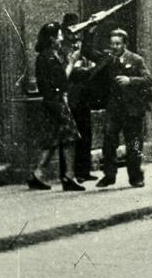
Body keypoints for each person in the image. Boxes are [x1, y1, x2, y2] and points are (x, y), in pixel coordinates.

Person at [85, 28, 152, 188]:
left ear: (125, 44)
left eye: (118, 43)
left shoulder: (136, 59)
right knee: (109, 141)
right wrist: (91, 31)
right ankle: (109, 175)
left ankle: (136, 177)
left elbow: (148, 79)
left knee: (134, 143)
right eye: (112, 43)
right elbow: (87, 51)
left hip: (132, 109)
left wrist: (130, 80)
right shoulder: (107, 58)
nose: (114, 47)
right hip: (114, 108)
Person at [28, 22, 85, 191]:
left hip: (50, 102)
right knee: (70, 137)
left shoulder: (45, 56)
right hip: (56, 102)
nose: (62, 38)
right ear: (52, 39)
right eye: (59, 35)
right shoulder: (50, 58)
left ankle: (37, 174)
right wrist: (71, 63)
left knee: (53, 140)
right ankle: (68, 176)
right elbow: (62, 80)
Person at [60, 14, 98, 183]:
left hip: (83, 93)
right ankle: (70, 172)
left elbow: (87, 55)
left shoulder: (78, 45)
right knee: (71, 136)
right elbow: (66, 72)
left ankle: (84, 170)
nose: (75, 33)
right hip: (70, 94)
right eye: (72, 29)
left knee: (85, 132)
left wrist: (90, 33)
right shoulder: (62, 47)